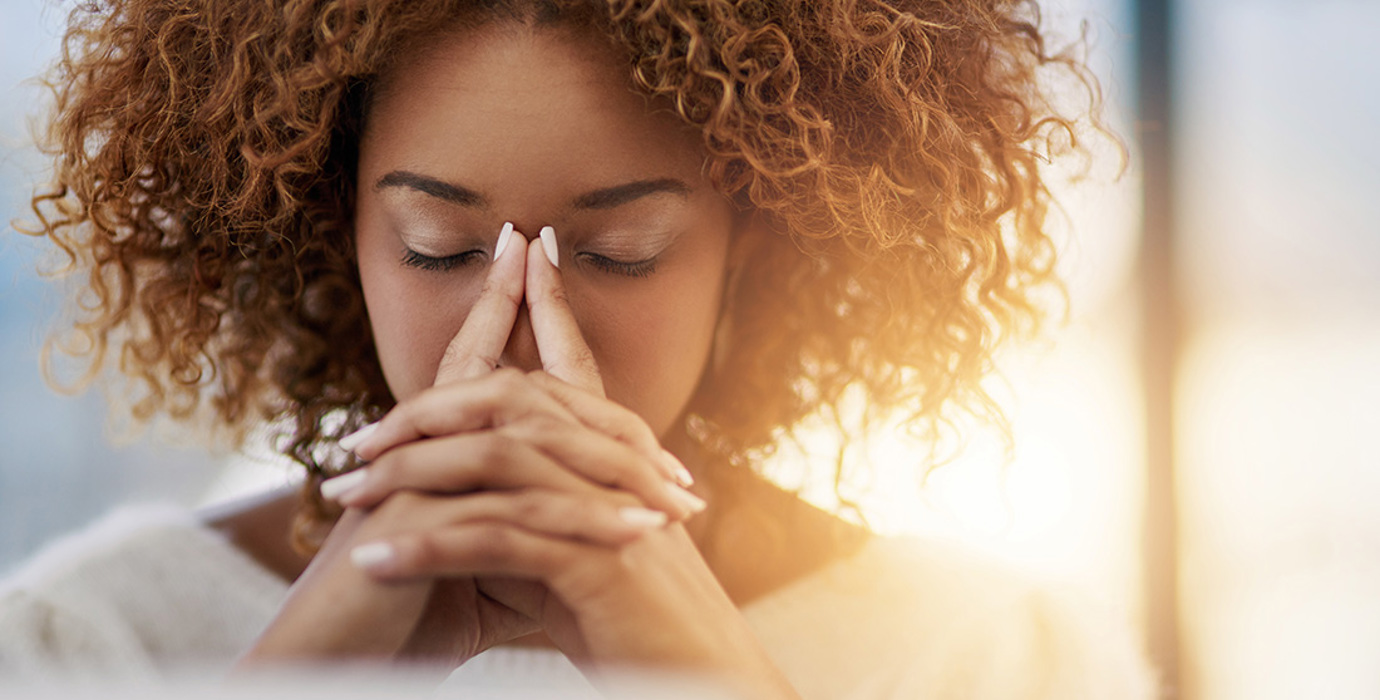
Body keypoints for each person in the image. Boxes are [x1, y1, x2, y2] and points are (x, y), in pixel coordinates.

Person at [2, 0, 1155, 697]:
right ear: (331, 227)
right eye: (441, 247)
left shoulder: (987, 663)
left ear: (750, 247)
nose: (517, 330)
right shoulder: (88, 645)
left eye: (619, 251)